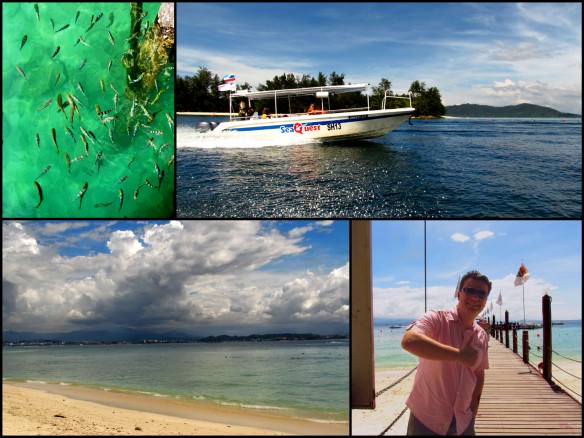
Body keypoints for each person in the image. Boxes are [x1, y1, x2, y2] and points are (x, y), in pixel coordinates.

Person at [401, 270, 491, 436]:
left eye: (481, 293)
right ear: (459, 294)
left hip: (463, 421)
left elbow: (478, 374)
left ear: (485, 301)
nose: (475, 297)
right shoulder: (436, 319)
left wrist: (473, 410)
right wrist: (459, 355)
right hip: (427, 419)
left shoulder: (481, 335)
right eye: (469, 290)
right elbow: (409, 341)